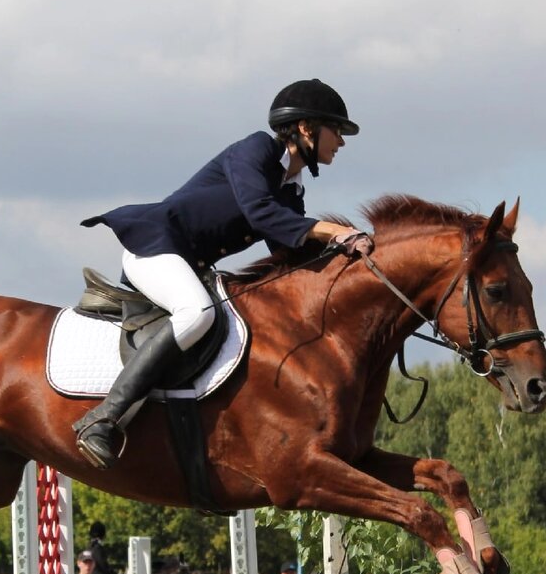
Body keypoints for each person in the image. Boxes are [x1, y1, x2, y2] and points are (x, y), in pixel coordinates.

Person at [73, 78, 372, 470]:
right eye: (337, 130)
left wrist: (351, 268)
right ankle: (102, 418)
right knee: (198, 313)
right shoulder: (256, 149)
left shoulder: (291, 189)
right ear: (305, 127)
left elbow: (290, 256)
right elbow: (260, 212)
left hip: (188, 264)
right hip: (154, 246)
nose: (342, 142)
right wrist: (336, 230)